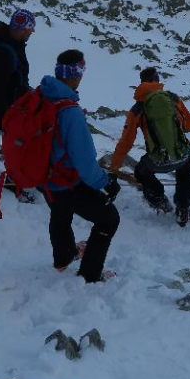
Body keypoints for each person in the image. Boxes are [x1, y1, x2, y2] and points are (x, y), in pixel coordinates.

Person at [40, 49, 120, 283]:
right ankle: (90, 275)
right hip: (65, 180)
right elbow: (85, 163)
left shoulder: (43, 95)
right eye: (82, 70)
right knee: (108, 218)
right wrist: (105, 183)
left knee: (60, 212)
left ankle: (63, 257)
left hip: (45, 175)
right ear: (77, 73)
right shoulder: (70, 112)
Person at [109, 67, 190, 227]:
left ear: (142, 83)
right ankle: (184, 208)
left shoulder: (137, 109)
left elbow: (126, 143)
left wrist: (114, 170)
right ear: (157, 80)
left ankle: (159, 200)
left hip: (157, 161)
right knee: (186, 171)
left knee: (141, 172)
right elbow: (189, 126)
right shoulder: (173, 99)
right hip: (181, 156)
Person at [0, 8, 35, 129]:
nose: (32, 31)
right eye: (30, 28)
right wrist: (8, 121)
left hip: (16, 108)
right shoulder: (3, 53)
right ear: (22, 29)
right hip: (9, 114)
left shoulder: (14, 44)